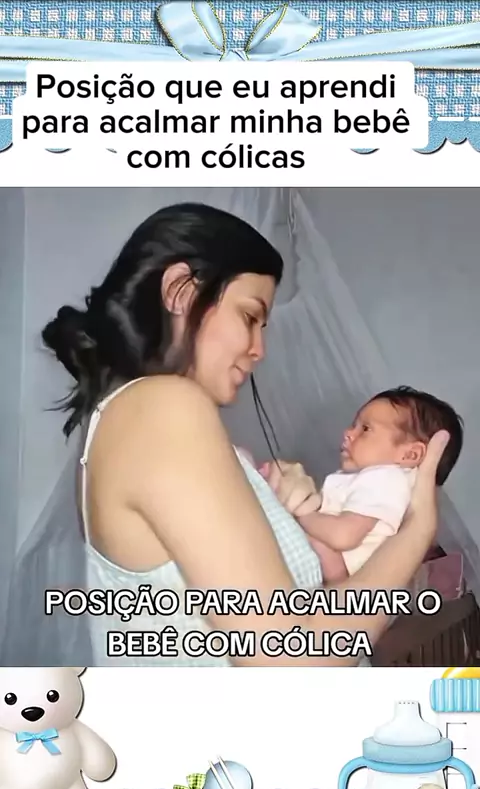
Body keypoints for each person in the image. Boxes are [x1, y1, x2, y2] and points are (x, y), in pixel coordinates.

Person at [41, 202, 449, 667]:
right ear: (180, 291)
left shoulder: (138, 419)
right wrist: (417, 531)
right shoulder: (162, 407)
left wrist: (283, 512)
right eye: (250, 317)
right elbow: (292, 660)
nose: (259, 350)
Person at [294, 387, 463, 582]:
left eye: (365, 429)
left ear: (410, 454)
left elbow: (344, 536)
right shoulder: (380, 480)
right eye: (354, 425)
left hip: (335, 568)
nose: (348, 432)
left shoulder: (386, 479)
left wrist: (302, 515)